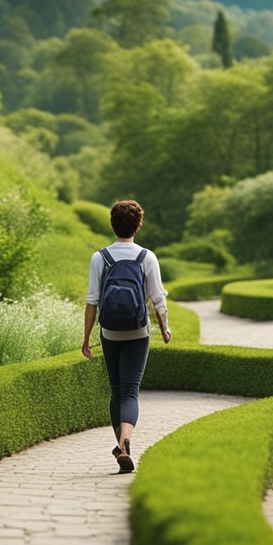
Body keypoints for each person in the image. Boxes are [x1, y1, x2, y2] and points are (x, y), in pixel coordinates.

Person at [82, 200, 171, 473]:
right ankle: (125, 442)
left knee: (116, 390)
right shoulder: (147, 257)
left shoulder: (100, 258)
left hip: (110, 332)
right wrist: (165, 327)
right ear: (138, 225)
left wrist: (86, 339)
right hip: (138, 331)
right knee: (131, 390)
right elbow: (158, 299)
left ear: (113, 224)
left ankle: (121, 447)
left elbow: (92, 302)